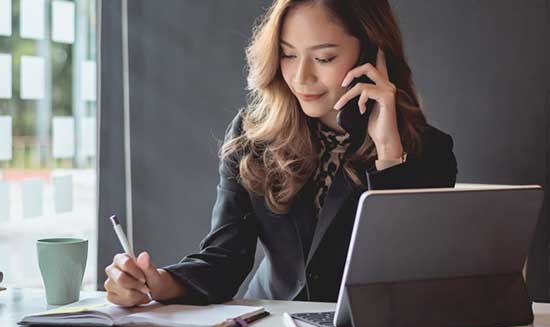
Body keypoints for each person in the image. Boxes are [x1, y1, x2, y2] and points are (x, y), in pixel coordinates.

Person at [104, 0, 458, 307]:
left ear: (371, 53)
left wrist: (388, 153)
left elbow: (407, 274)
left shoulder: (427, 150)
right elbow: (224, 258)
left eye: (324, 57)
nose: (300, 76)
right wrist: (155, 282)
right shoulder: (253, 134)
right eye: (288, 54)